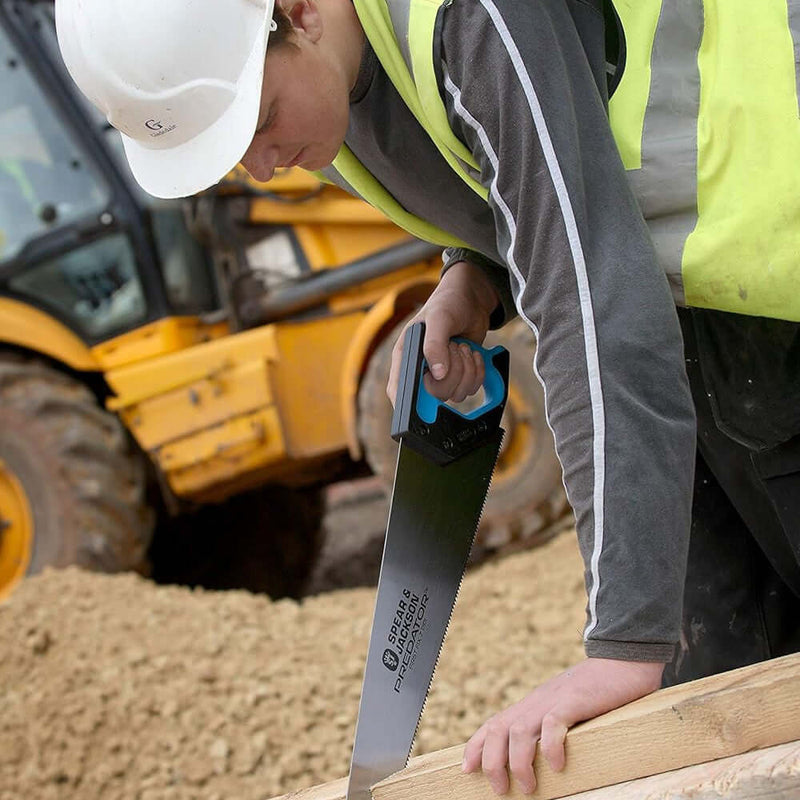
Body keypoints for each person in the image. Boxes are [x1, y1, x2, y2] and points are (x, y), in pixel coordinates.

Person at [55, 0, 800, 794]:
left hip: (771, 286)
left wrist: (620, 647)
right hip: (689, 326)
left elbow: (592, 298)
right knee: (721, 713)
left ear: (300, 12)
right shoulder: (330, 91)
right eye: (236, 149)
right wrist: (470, 280)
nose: (264, 166)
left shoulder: (469, 14)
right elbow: (534, 160)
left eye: (261, 119)